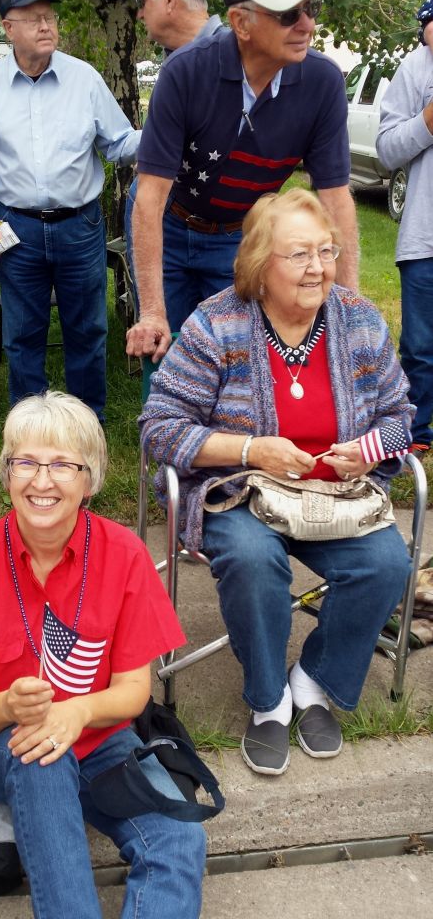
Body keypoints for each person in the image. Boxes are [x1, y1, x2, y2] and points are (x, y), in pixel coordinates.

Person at [140, 188, 411, 777]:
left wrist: (367, 454)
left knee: (388, 564)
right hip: (241, 492)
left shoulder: (357, 320)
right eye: (299, 255)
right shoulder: (217, 323)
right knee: (251, 558)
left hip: (334, 498)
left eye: (326, 251)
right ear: (260, 264)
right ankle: (269, 700)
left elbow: (399, 417)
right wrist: (249, 450)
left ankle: (312, 681)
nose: (318, 267)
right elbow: (158, 428)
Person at [0, 391, 206, 918]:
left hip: (99, 740)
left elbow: (132, 691)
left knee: (177, 838)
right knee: (41, 758)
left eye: (61, 465)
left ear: (89, 478)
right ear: (7, 473)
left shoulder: (124, 554)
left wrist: (76, 711)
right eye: (26, 462)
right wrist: (10, 706)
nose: (42, 480)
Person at [126, 0, 359, 363]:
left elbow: (335, 197)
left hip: (238, 233)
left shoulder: (323, 82)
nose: (307, 25)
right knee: (167, 358)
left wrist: (350, 305)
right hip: (171, 226)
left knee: (236, 362)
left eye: (311, 9)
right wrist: (153, 314)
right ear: (241, 22)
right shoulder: (185, 73)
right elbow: (149, 199)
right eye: (289, 13)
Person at [0, 0, 141, 420]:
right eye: (32, 17)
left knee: (88, 330)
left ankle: (85, 426)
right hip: (15, 227)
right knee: (23, 333)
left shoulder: (84, 79)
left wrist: (166, 132)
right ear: (7, 28)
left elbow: (118, 143)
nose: (45, 25)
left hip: (80, 224)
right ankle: (30, 432)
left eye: (49, 16)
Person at [119, 0, 224, 309]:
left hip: (225, 233)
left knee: (228, 351)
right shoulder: (174, 63)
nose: (139, 11)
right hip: (164, 218)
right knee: (161, 339)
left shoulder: (233, 59)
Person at [376, 0, 433, 459]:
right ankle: (418, 435)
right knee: (421, 348)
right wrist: (428, 121)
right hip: (426, 238)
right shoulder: (416, 68)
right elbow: (388, 150)